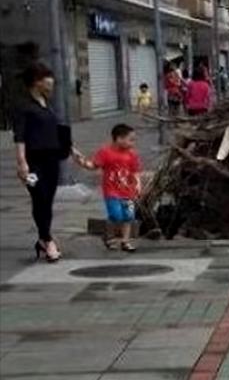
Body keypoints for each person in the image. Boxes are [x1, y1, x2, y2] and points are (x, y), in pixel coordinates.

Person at [13, 62, 78, 262]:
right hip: (33, 162)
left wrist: (71, 149)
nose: (51, 82)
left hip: (52, 161)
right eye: (47, 78)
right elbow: (19, 136)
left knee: (47, 200)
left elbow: (54, 131)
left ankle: (43, 238)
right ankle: (48, 240)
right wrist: (22, 163)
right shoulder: (24, 107)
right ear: (36, 82)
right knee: (38, 197)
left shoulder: (46, 103)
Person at [78, 123, 142, 252]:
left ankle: (125, 241)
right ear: (119, 139)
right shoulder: (105, 152)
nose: (133, 143)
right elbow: (94, 165)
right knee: (116, 215)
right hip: (112, 191)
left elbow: (135, 171)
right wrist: (82, 162)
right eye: (130, 140)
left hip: (128, 191)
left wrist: (138, 184)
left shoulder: (132, 155)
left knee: (129, 216)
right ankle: (109, 236)